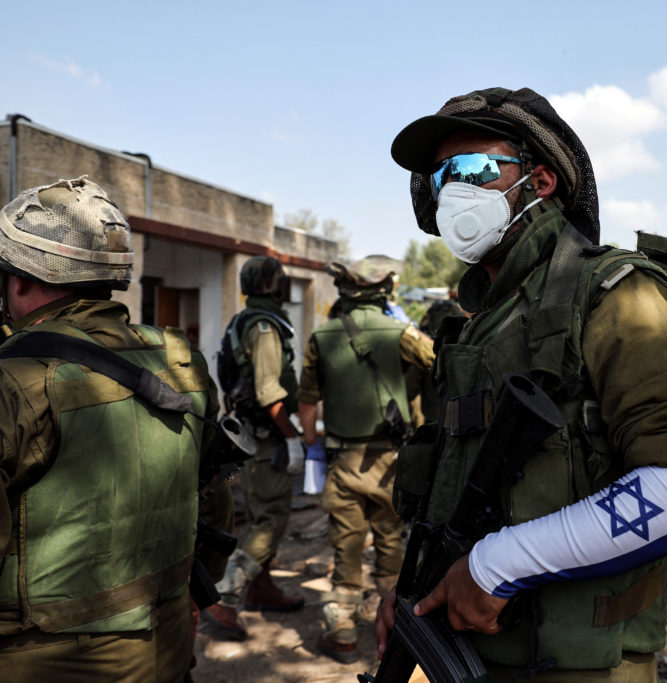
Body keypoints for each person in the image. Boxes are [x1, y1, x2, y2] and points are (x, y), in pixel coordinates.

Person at [380, 87, 667, 681]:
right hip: (482, 649)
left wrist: (495, 565)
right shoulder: (485, 323)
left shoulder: (617, 293)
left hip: (578, 662)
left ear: (539, 182)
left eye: (472, 168)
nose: (453, 188)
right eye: (440, 176)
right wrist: (416, 586)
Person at [0, 177, 220, 680]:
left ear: (21, 278)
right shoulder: (178, 358)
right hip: (166, 647)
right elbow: (211, 496)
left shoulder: (15, 379)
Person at [297, 259, 435, 663]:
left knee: (346, 546)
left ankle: (341, 632)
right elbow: (442, 366)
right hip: (392, 462)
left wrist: (311, 449)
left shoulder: (322, 335)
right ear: (384, 291)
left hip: (342, 460)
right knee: (392, 542)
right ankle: (397, 631)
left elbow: (307, 402)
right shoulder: (401, 332)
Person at [205, 255, 305, 640]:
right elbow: (268, 391)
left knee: (264, 511)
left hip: (255, 437)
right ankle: (224, 596)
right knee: (271, 520)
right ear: (274, 285)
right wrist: (293, 437)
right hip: (268, 439)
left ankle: (261, 587)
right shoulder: (264, 327)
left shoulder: (244, 319)